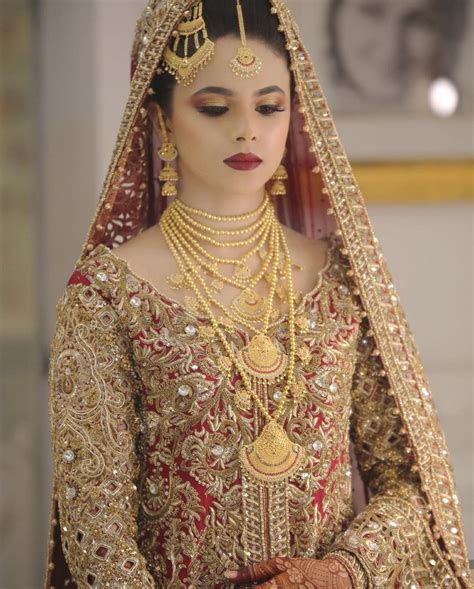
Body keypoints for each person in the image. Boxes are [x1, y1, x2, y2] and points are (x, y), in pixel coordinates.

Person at [44, 1, 471, 587]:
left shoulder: (341, 282)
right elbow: (98, 533)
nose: (247, 129)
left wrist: (340, 572)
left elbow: (407, 483)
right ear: (162, 122)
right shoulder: (106, 298)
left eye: (269, 107)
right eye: (215, 107)